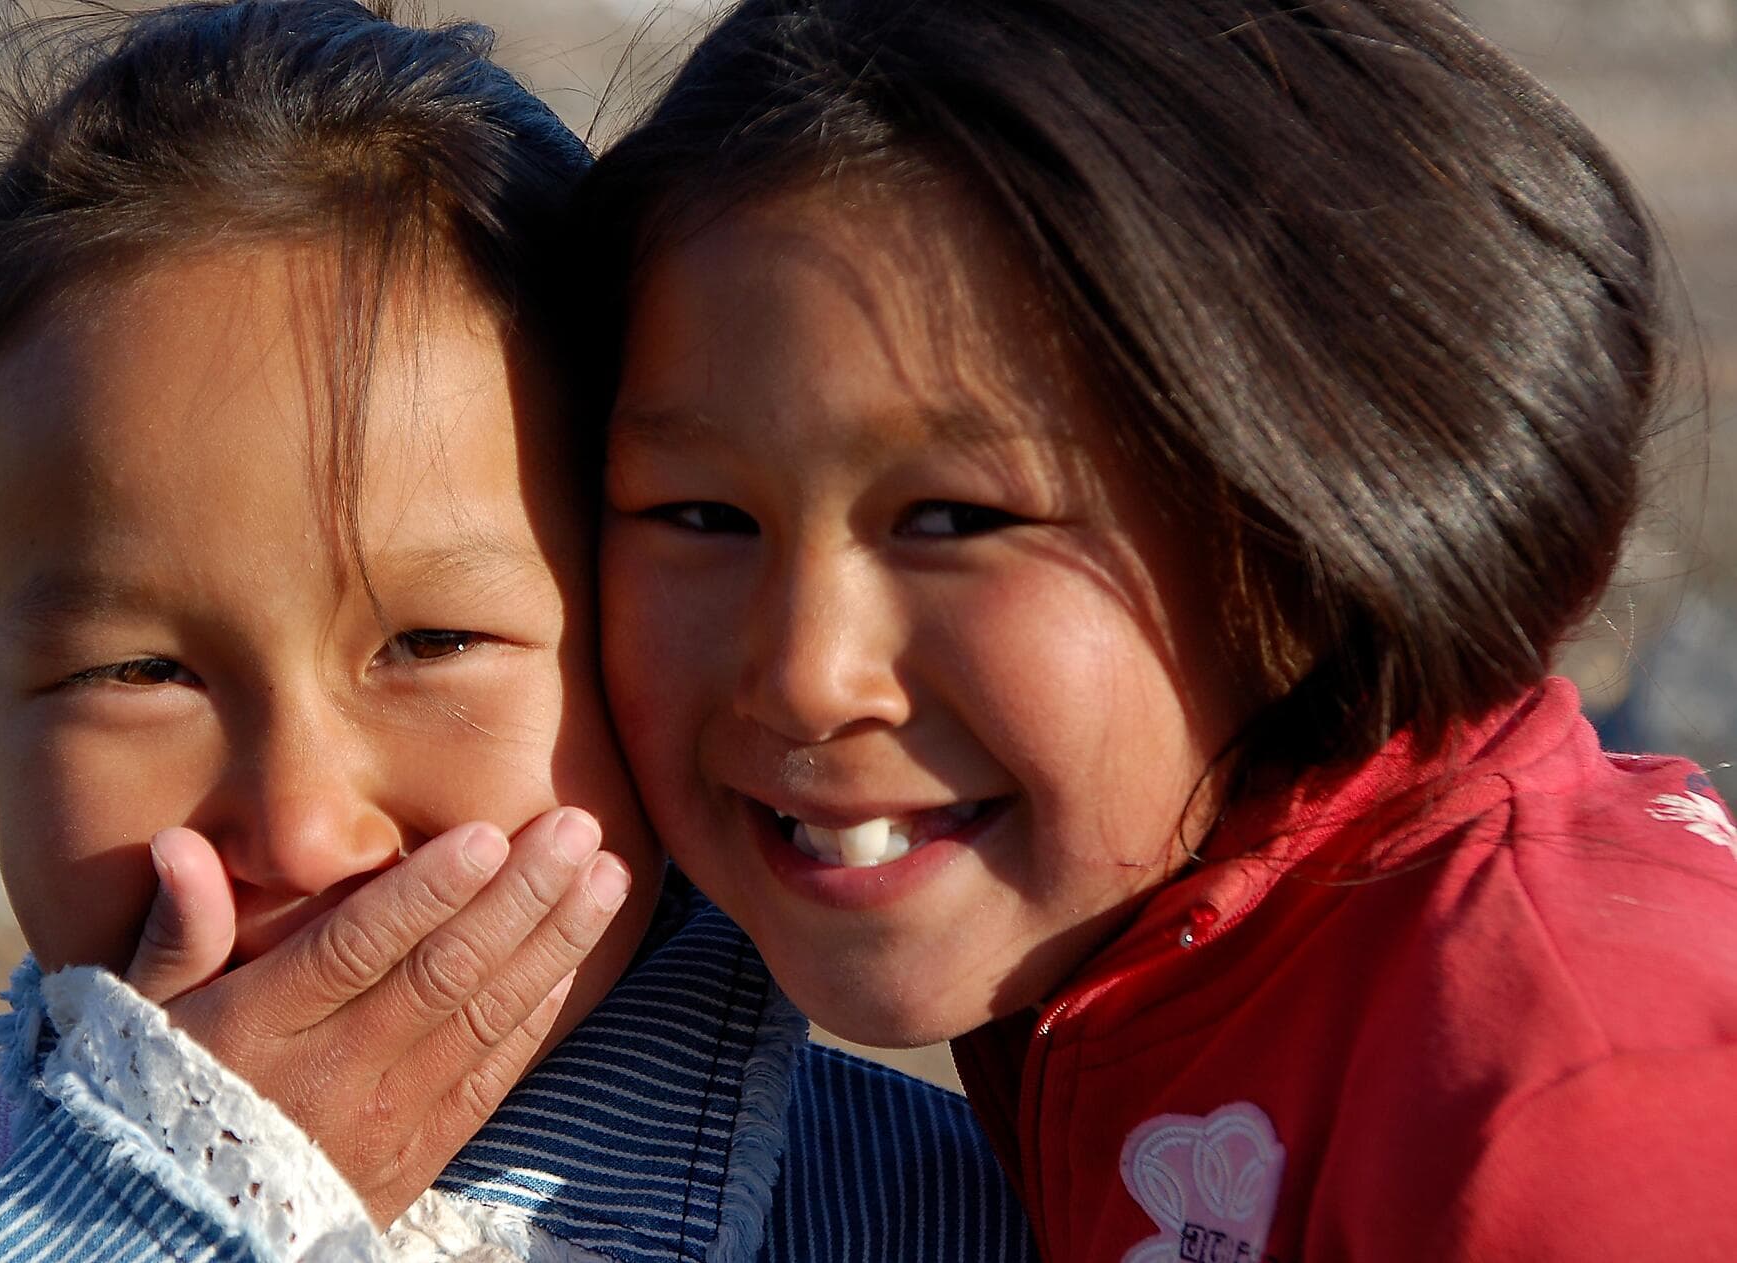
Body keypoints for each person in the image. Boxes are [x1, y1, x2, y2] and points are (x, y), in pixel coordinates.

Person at [0, 3, 1035, 1260]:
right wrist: (158, 1208)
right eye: (137, 671)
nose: (303, 836)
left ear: (649, 619)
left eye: (430, 645)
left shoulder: (985, 1214)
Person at [578, 0, 1737, 1257]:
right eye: (699, 513)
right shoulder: (1135, 971)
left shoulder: (1568, 1097)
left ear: (1315, 501)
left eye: (956, 518)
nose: (808, 677)